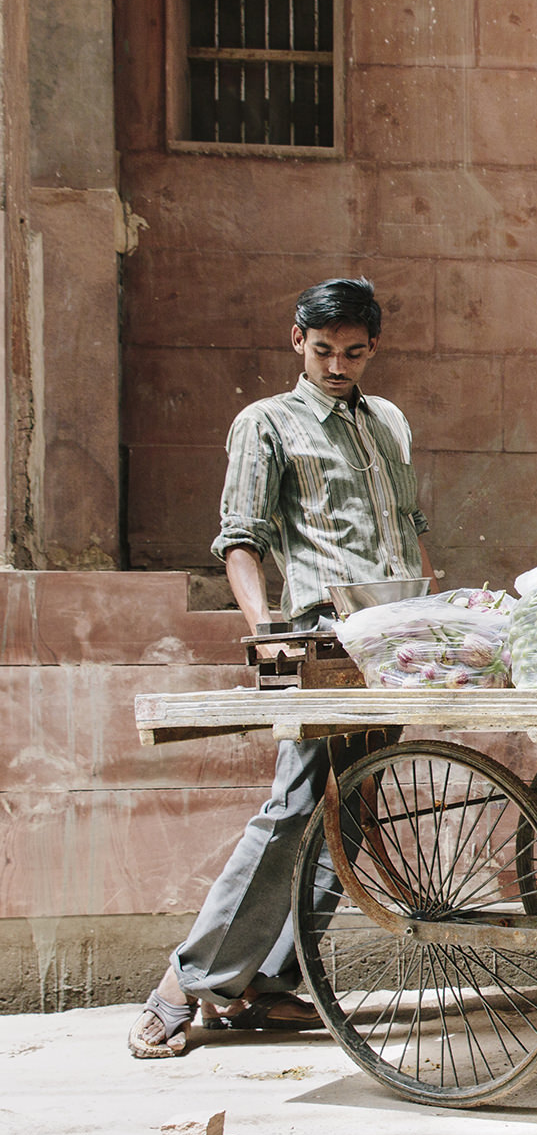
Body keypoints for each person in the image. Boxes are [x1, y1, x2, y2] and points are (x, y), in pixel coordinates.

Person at [128, 278, 434, 1058]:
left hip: (390, 638)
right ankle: (188, 982)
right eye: (324, 350)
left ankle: (265, 982)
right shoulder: (264, 422)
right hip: (317, 639)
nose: (338, 366)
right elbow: (241, 538)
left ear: (374, 348)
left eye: (354, 353)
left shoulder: (388, 424)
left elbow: (408, 531)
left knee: (353, 809)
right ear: (296, 339)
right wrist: (265, 630)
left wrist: (433, 612)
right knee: (297, 804)